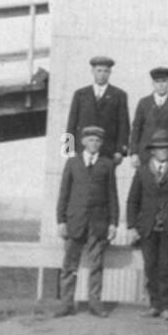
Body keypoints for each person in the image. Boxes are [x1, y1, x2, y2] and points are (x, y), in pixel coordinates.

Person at [126, 128, 168, 321]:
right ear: (152, 151)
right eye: (159, 148)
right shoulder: (142, 172)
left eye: (166, 147)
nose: (163, 151)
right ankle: (154, 304)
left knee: (167, 266)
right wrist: (132, 226)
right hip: (147, 227)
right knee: (150, 267)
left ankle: (167, 306)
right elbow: (132, 200)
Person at [55, 126, 119, 318]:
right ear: (83, 142)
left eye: (98, 141)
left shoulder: (107, 165)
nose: (94, 143)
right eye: (91, 140)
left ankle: (95, 303)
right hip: (75, 222)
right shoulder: (72, 163)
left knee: (96, 265)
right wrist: (61, 221)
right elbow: (63, 194)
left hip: (98, 223)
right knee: (69, 265)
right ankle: (66, 304)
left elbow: (112, 196)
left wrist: (113, 223)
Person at [65, 55, 130, 162]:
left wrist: (120, 151)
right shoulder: (80, 94)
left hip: (108, 151)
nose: (102, 74)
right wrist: (68, 149)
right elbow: (71, 123)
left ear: (110, 73)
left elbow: (124, 125)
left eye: (106, 71)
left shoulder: (119, 95)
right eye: (99, 70)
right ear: (92, 71)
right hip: (82, 150)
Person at [128, 66, 168, 166]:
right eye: (157, 82)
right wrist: (134, 153)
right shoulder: (144, 103)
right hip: (145, 154)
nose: (161, 85)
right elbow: (136, 129)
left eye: (164, 81)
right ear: (152, 83)